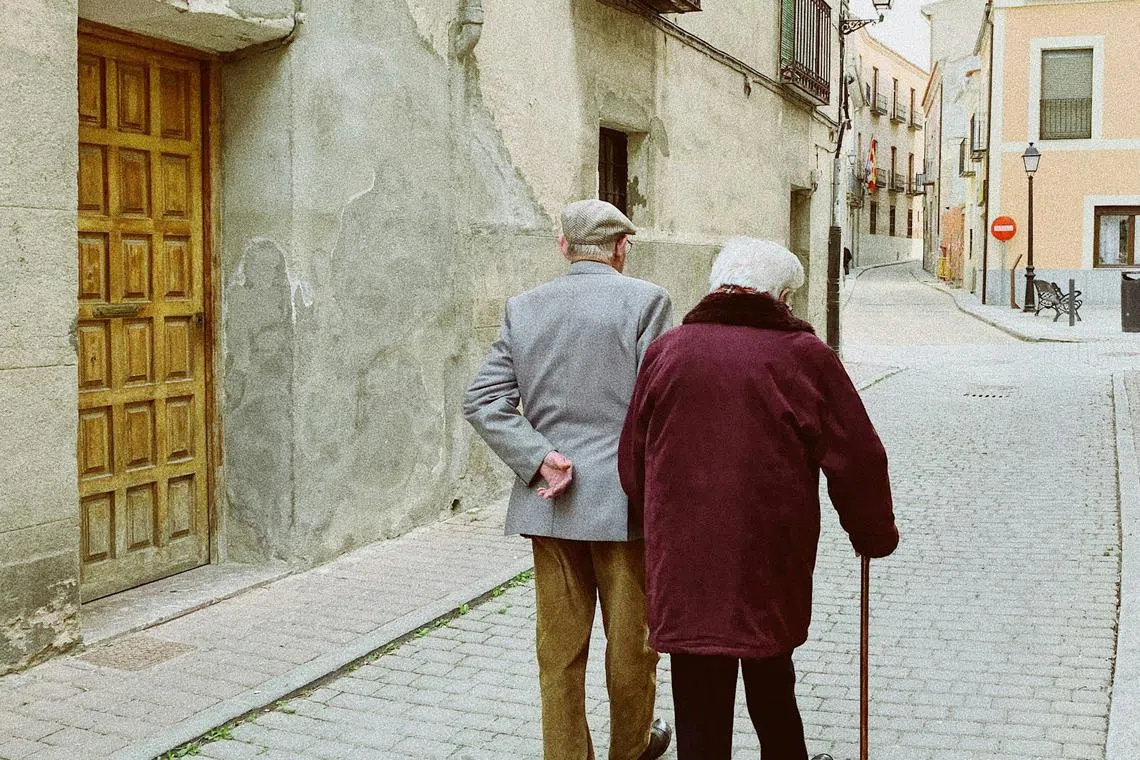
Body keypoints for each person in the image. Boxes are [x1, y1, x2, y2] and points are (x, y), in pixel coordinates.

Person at [617, 238, 898, 760]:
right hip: (769, 560)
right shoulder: (804, 357)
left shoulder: (667, 351)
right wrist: (872, 532)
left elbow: (633, 458)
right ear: (782, 297)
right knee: (772, 683)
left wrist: (659, 522)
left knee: (698, 700)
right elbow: (858, 457)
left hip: (686, 564)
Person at [463, 199, 674, 760]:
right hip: (625, 506)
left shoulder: (524, 307)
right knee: (631, 647)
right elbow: (660, 405)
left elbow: (482, 400)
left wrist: (538, 458)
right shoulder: (647, 301)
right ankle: (631, 749)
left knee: (558, 651)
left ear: (563, 246)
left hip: (551, 504)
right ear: (621, 248)